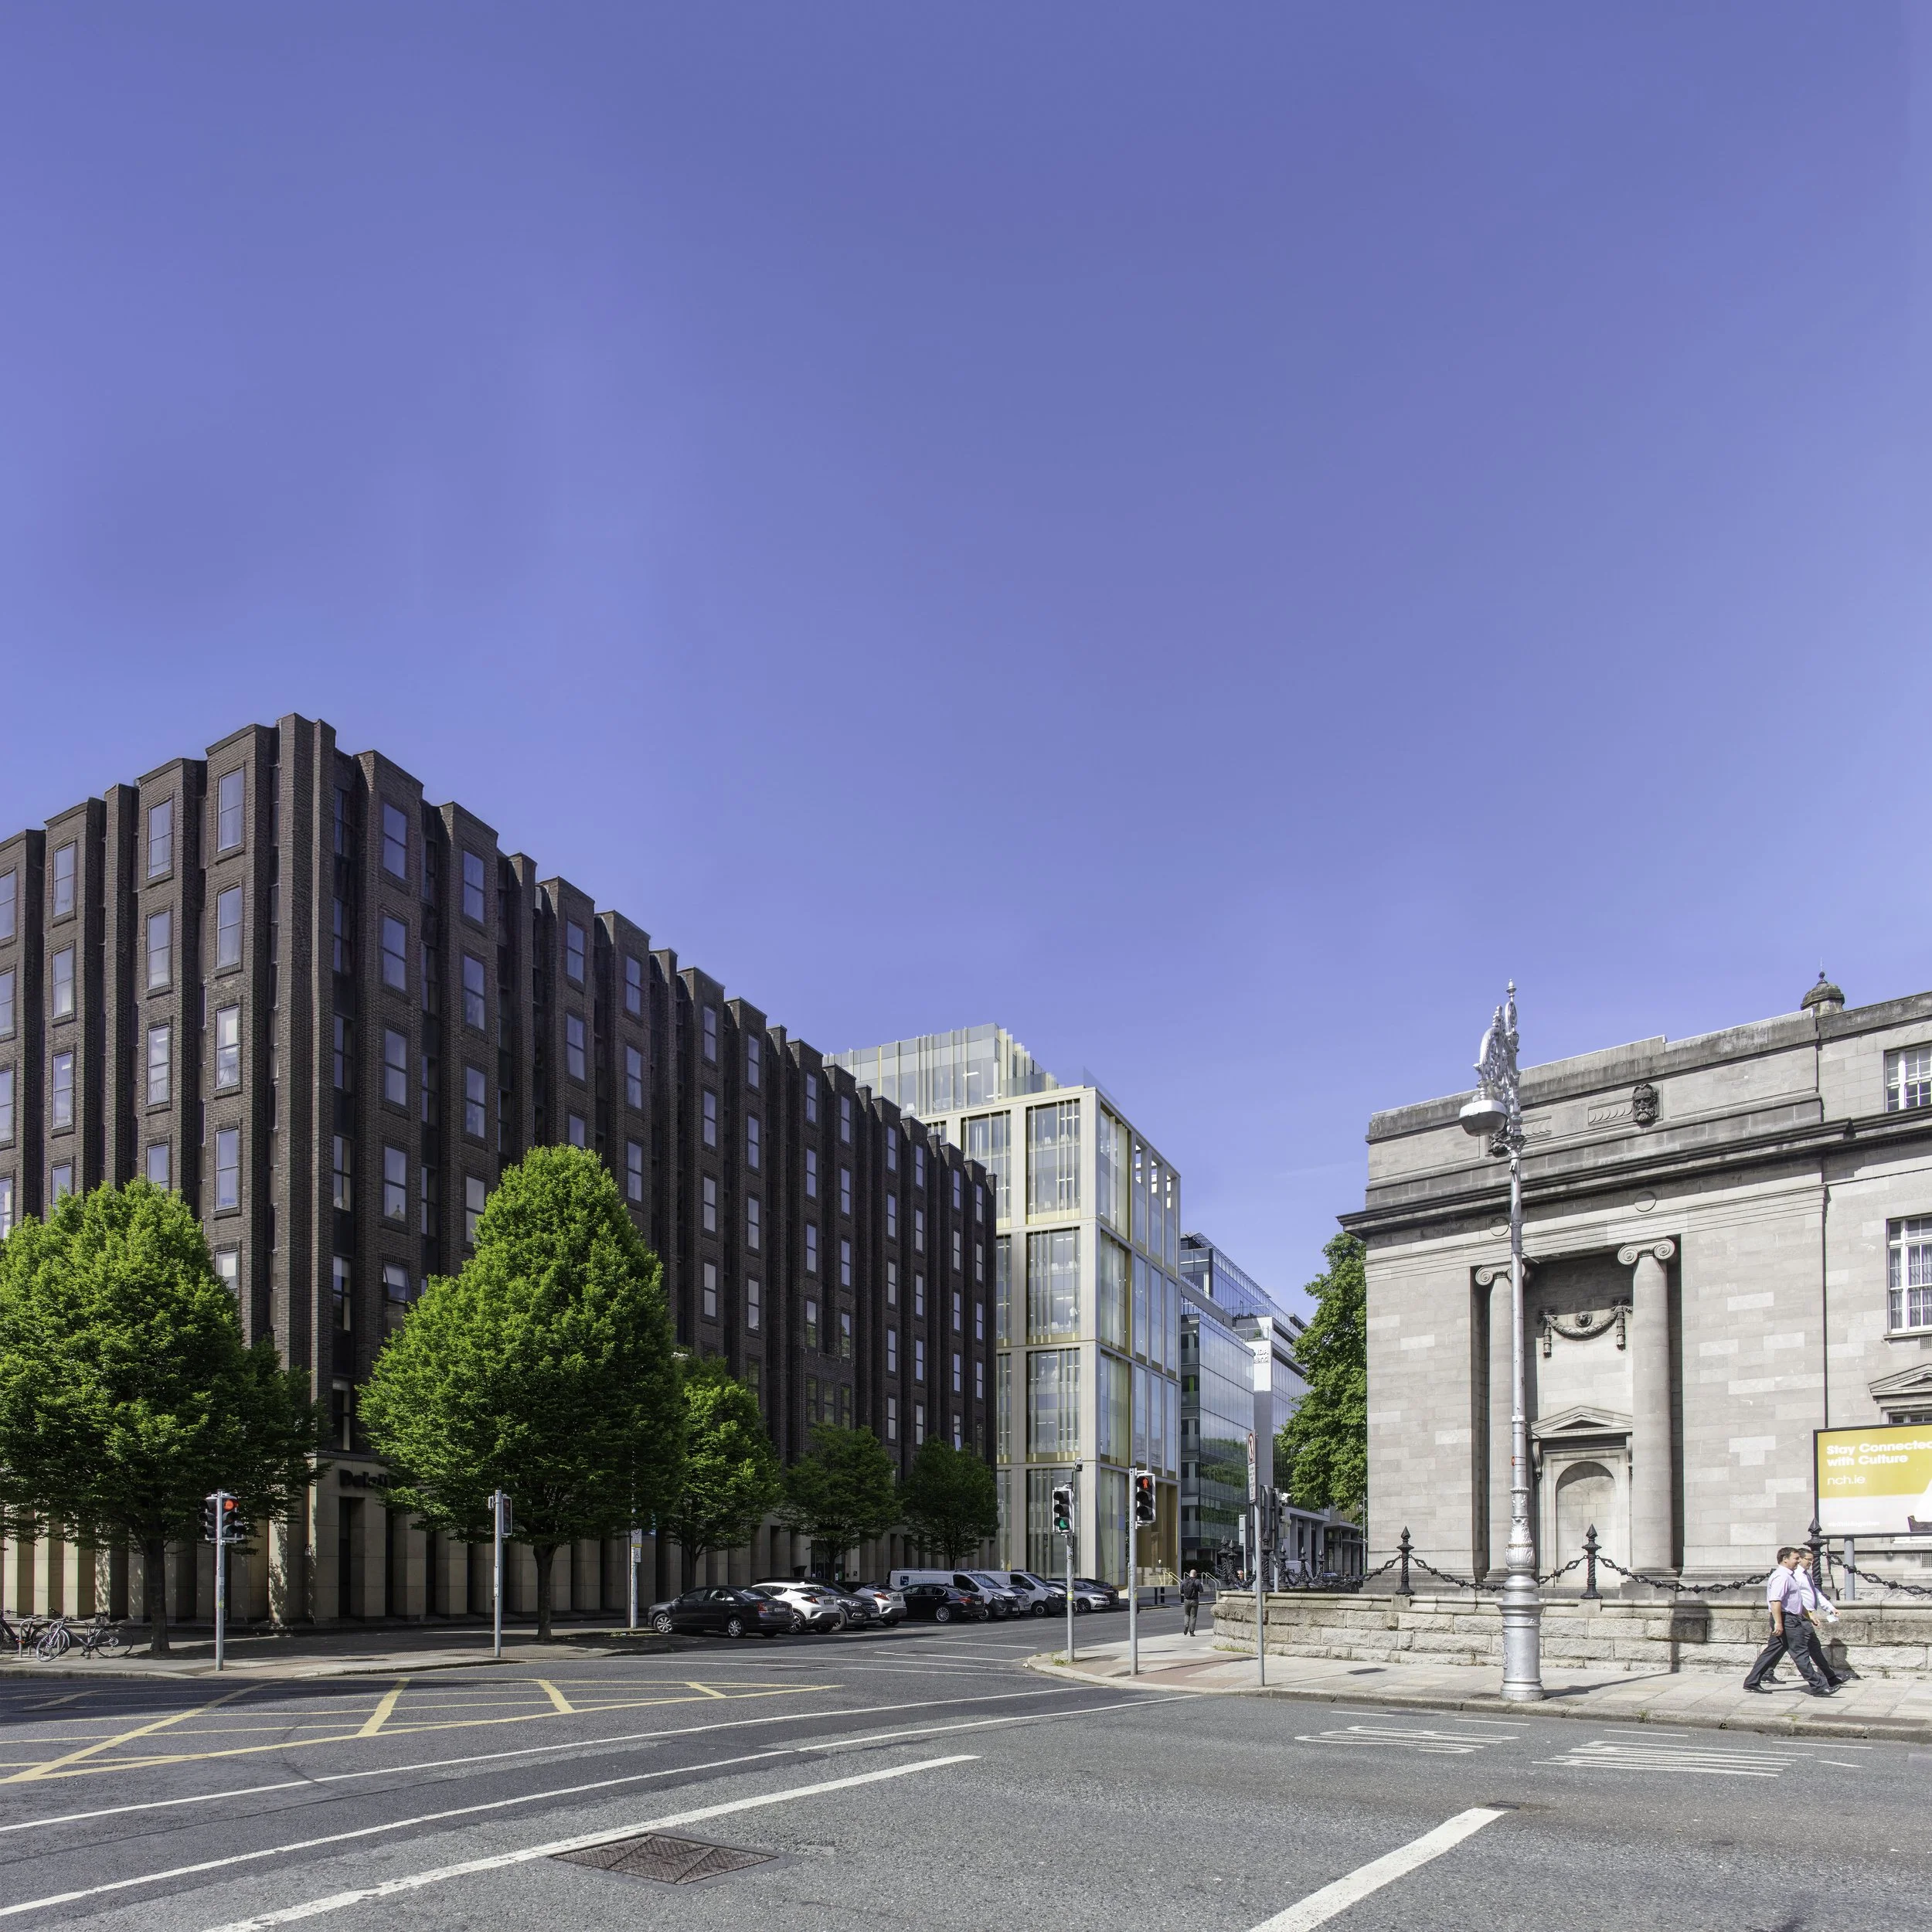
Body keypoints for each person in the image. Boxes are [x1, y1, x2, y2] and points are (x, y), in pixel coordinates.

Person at [1742, 1546, 1831, 1696]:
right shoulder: (1781, 1576)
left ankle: (1752, 1681)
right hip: (1786, 1619)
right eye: (1795, 1558)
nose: (1798, 1561)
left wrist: (1809, 1616)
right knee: (1800, 1652)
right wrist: (1778, 1623)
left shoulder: (1789, 1576)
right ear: (1785, 1559)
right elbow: (1776, 1601)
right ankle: (1818, 1686)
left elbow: (1795, 1601)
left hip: (1789, 1618)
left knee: (1772, 1651)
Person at [1179, 1568, 1203, 1637]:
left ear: (1190, 1574)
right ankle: (1192, 1632)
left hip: (1186, 1600)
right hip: (1194, 1600)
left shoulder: (1184, 1581)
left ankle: (1186, 1625)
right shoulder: (1197, 1581)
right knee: (1193, 1616)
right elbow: (1201, 1591)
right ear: (1195, 1575)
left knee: (1187, 1614)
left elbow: (1181, 1591)